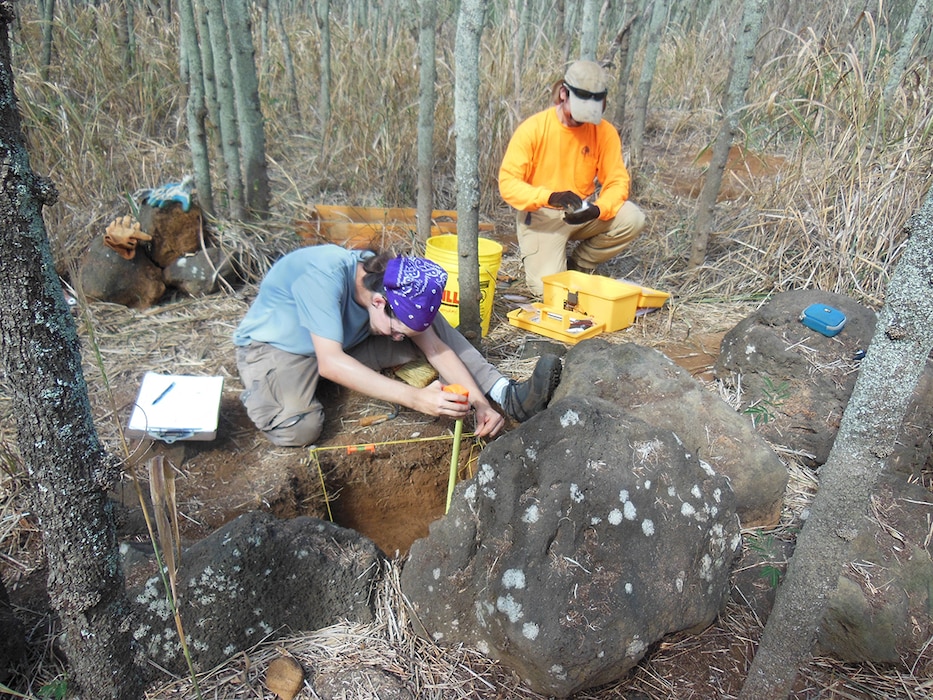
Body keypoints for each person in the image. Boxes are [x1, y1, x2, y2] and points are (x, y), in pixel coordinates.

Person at [233, 244, 563, 447]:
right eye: (395, 330)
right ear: (379, 302)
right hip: (281, 349)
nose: (398, 337)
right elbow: (329, 363)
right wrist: (416, 397)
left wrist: (480, 404)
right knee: (300, 429)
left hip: (348, 341)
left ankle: (504, 393)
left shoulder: (390, 283)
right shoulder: (323, 277)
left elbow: (434, 347)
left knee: (428, 323)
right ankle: (267, 393)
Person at [498, 60, 646, 295]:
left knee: (633, 218)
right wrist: (550, 196)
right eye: (577, 115)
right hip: (541, 216)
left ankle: (580, 264)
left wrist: (598, 209)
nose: (582, 122)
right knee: (549, 292)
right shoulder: (534, 129)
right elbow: (508, 184)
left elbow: (617, 181)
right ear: (564, 94)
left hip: (581, 212)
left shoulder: (604, 132)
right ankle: (551, 262)